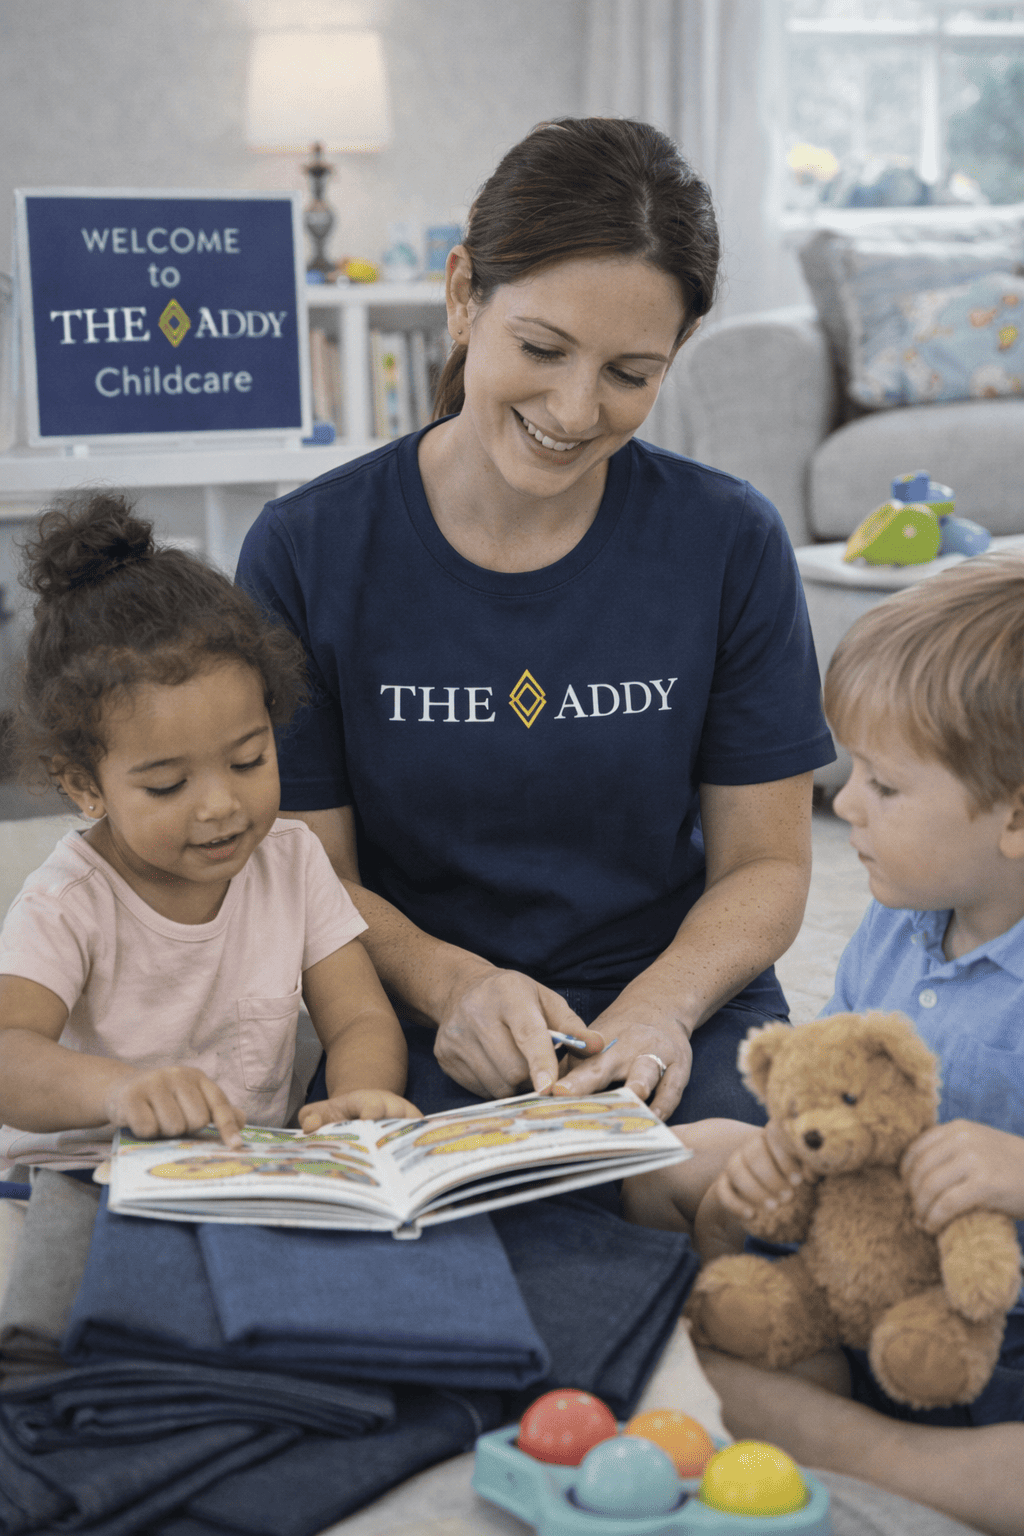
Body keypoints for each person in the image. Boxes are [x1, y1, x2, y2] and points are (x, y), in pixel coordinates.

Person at [236, 117, 835, 1131]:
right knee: (425, 1268)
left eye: (628, 373)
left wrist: (660, 1007)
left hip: (679, 1003)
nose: (573, 408)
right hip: (421, 1014)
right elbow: (311, 874)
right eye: (543, 348)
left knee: (760, 1223)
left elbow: (767, 864)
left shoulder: (728, 539)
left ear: (674, 355)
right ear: (465, 293)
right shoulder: (305, 549)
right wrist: (451, 986)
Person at [628, 554, 1024, 1536]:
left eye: (882, 787)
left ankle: (866, 1447)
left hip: (994, 1321)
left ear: (1015, 817)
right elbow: (833, 1110)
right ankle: (801, 1387)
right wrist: (765, 1169)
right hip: (860, 1263)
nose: (842, 807)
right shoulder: (899, 919)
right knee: (670, 1156)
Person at [0, 492, 419, 1173]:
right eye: (168, 785)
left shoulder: (292, 862)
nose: (221, 805)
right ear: (83, 784)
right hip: (77, 1177)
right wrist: (119, 1090)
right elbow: (8, 1053)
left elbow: (361, 1020)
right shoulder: (69, 901)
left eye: (250, 759)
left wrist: (359, 1095)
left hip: (237, 1175)